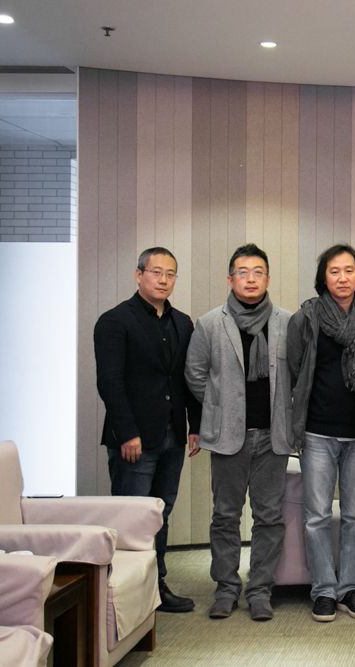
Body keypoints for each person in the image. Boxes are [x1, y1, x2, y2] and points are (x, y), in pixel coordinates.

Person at [184, 243, 293, 622]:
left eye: (258, 271)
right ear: (230, 279)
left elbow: (296, 377)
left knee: (268, 517)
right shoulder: (210, 323)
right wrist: (219, 406)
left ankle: (260, 589)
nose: (250, 279)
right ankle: (226, 588)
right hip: (229, 437)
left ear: (268, 278)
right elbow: (195, 374)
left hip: (273, 437)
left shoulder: (286, 321)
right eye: (243, 272)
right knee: (225, 516)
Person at [94, 246, 201, 613]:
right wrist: (127, 433)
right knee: (131, 515)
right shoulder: (114, 321)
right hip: (134, 439)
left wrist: (195, 426)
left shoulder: (183, 323)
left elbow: (189, 380)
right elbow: (110, 382)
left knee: (160, 513)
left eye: (170, 273)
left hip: (172, 433)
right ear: (138, 275)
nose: (163, 279)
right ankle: (121, 593)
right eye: (156, 272)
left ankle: (156, 585)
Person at [288, 244, 355, 623]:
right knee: (316, 515)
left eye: (348, 270)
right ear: (323, 277)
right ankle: (324, 591)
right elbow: (295, 370)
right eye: (334, 271)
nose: (342, 278)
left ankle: (351, 589)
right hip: (317, 432)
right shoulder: (307, 317)